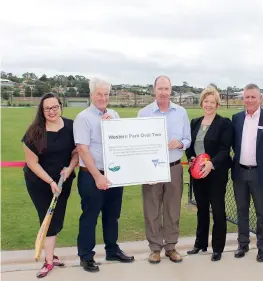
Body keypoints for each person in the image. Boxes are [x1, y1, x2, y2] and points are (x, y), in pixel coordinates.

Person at [73, 78, 134, 273]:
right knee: (90, 216)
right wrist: (98, 177)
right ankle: (86, 255)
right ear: (91, 95)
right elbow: (82, 149)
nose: (103, 97)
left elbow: (123, 141)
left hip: (114, 174)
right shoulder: (83, 118)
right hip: (91, 175)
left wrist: (113, 125)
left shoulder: (114, 114)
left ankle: (112, 249)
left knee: (112, 215)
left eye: (106, 94)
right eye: (99, 94)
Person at [22, 93, 79, 278]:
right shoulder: (34, 131)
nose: (52, 111)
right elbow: (32, 162)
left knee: (57, 219)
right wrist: (51, 182)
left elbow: (76, 152)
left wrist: (69, 169)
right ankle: (48, 262)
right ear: (42, 110)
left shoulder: (71, 126)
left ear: (60, 106)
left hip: (63, 181)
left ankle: (50, 254)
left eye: (55, 107)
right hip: (40, 182)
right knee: (47, 220)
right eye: (47, 108)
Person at [138, 75, 191, 264]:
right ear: (154, 90)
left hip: (174, 167)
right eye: (160, 89)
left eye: (166, 89)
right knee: (152, 209)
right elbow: (139, 143)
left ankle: (170, 246)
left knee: (172, 209)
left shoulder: (181, 112)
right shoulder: (144, 113)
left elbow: (187, 139)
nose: (163, 92)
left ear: (171, 90)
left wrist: (180, 143)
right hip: (151, 169)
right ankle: (154, 248)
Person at [231, 83, 263, 263]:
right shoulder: (236, 118)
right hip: (240, 172)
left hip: (261, 174)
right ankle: (242, 244)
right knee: (242, 211)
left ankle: (262, 247)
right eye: (247, 97)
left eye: (254, 97)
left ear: (261, 99)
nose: (250, 100)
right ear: (243, 98)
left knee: (262, 213)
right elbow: (234, 145)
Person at [185, 87, 233, 262]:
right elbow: (189, 146)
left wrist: (212, 163)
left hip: (215, 174)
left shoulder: (224, 123)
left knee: (218, 211)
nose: (209, 105)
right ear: (202, 102)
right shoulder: (195, 122)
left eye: (212, 102)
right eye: (206, 101)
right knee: (202, 209)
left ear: (217, 104)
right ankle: (200, 243)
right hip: (197, 174)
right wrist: (190, 158)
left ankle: (218, 248)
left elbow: (224, 149)